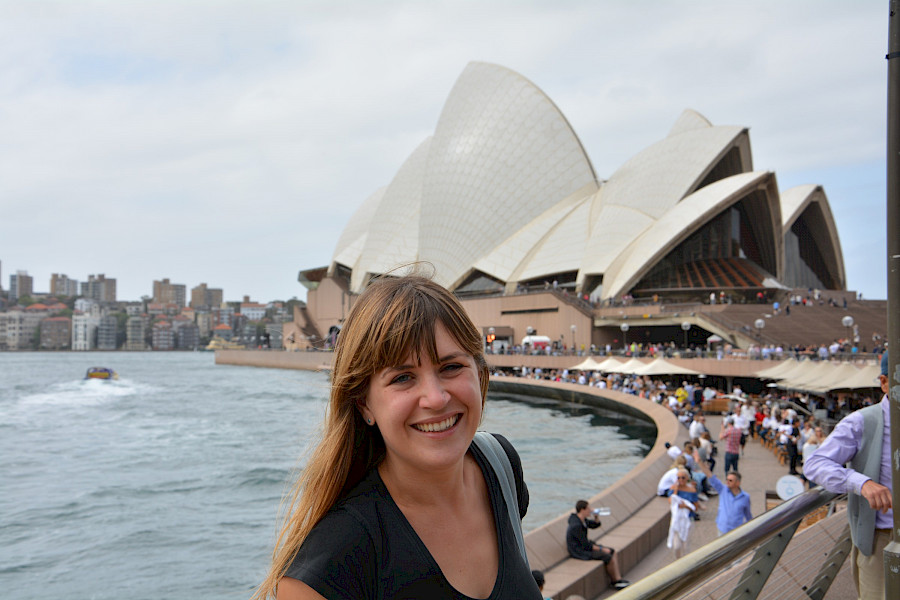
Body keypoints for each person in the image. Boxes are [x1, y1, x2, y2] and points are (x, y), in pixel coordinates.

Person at [253, 275, 542, 600]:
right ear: (364, 403)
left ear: (479, 371)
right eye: (403, 377)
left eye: (451, 367)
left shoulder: (500, 466)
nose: (435, 398)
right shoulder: (329, 568)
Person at [804, 352, 893, 600]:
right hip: (882, 539)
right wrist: (861, 482)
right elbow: (815, 463)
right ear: (884, 383)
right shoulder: (861, 422)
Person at [566, 500, 630, 589]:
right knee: (608, 556)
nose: (591, 510)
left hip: (585, 546)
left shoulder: (582, 520)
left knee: (612, 551)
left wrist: (596, 517)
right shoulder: (576, 525)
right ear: (582, 510)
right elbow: (585, 545)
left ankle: (618, 578)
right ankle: (615, 581)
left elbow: (595, 525)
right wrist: (601, 549)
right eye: (588, 508)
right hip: (579, 551)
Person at [692, 449, 752, 535]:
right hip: (722, 530)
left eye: (730, 480)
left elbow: (748, 516)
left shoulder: (745, 497)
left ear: (738, 483)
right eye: (727, 480)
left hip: (736, 532)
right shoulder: (723, 490)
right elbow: (710, 476)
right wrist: (699, 462)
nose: (727, 482)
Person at [666, 468, 700, 558]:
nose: (681, 480)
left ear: (687, 478)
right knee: (676, 546)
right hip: (677, 520)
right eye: (678, 478)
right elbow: (671, 501)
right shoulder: (673, 488)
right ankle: (678, 562)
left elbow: (695, 507)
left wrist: (686, 506)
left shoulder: (691, 490)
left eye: (683, 478)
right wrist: (676, 490)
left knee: (686, 546)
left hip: (688, 519)